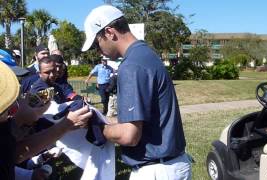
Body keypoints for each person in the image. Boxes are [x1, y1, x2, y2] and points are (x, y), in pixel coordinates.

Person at [82, 5, 192, 179]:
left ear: (110, 32)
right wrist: (102, 119)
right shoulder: (145, 54)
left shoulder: (131, 66)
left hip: (156, 170)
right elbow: (142, 119)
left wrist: (95, 128)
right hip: (169, 165)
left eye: (97, 43)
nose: (98, 50)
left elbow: (129, 135)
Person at [0, 61, 92, 179]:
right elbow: (14, 153)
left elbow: (10, 154)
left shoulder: (54, 85)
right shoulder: (40, 88)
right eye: (10, 108)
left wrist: (29, 175)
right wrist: (65, 124)